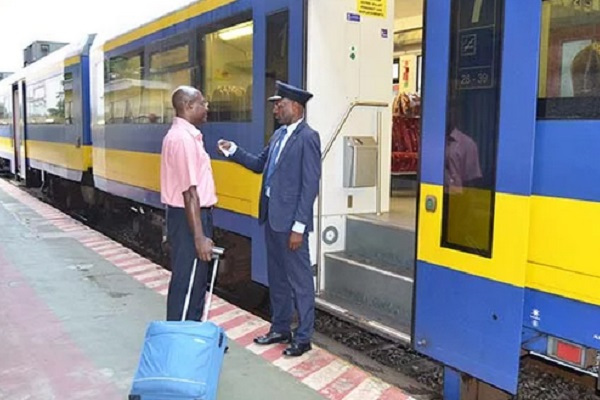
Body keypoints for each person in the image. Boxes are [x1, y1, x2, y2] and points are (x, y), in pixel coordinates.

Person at [218, 81, 321, 357]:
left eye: (280, 104)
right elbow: (258, 164)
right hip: (272, 219)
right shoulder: (277, 136)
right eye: (276, 104)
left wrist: (299, 227)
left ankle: (303, 337)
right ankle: (280, 328)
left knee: (300, 281)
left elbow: (310, 185)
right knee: (277, 278)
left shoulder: (309, 138)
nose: (275, 109)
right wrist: (233, 151)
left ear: (296, 107)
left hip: (291, 225)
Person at [160, 86, 215, 321]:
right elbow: (190, 193)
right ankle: (180, 336)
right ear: (188, 106)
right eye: (202, 103)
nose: (207, 108)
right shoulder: (182, 140)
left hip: (189, 217)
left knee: (195, 282)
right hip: (189, 219)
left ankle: (190, 335)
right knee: (188, 282)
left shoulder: (187, 136)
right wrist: (199, 237)